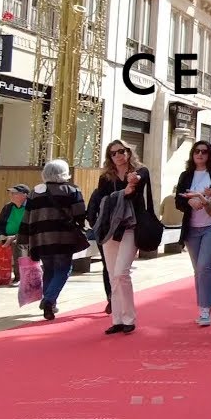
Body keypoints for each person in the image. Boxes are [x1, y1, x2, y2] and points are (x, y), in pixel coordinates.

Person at [87, 140, 155, 334]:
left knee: (121, 273)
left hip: (130, 227)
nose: (118, 155)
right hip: (110, 229)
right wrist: (122, 192)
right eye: (113, 153)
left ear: (128, 152)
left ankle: (129, 318)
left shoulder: (140, 171)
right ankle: (117, 319)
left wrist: (133, 180)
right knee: (112, 275)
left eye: (121, 151)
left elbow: (141, 179)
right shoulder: (106, 178)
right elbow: (102, 200)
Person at [18, 159, 90, 320]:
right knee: (63, 269)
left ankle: (50, 302)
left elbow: (26, 217)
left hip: (40, 239)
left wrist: (23, 239)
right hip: (64, 238)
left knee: (49, 269)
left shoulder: (35, 192)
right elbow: (80, 214)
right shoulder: (72, 190)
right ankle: (49, 300)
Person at [174, 140, 211, 327]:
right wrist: (189, 202)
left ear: (209, 155)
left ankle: (205, 310)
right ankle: (203, 307)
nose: (200, 154)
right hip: (191, 229)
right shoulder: (186, 175)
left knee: (204, 266)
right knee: (198, 270)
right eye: (197, 151)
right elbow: (178, 200)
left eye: (204, 151)